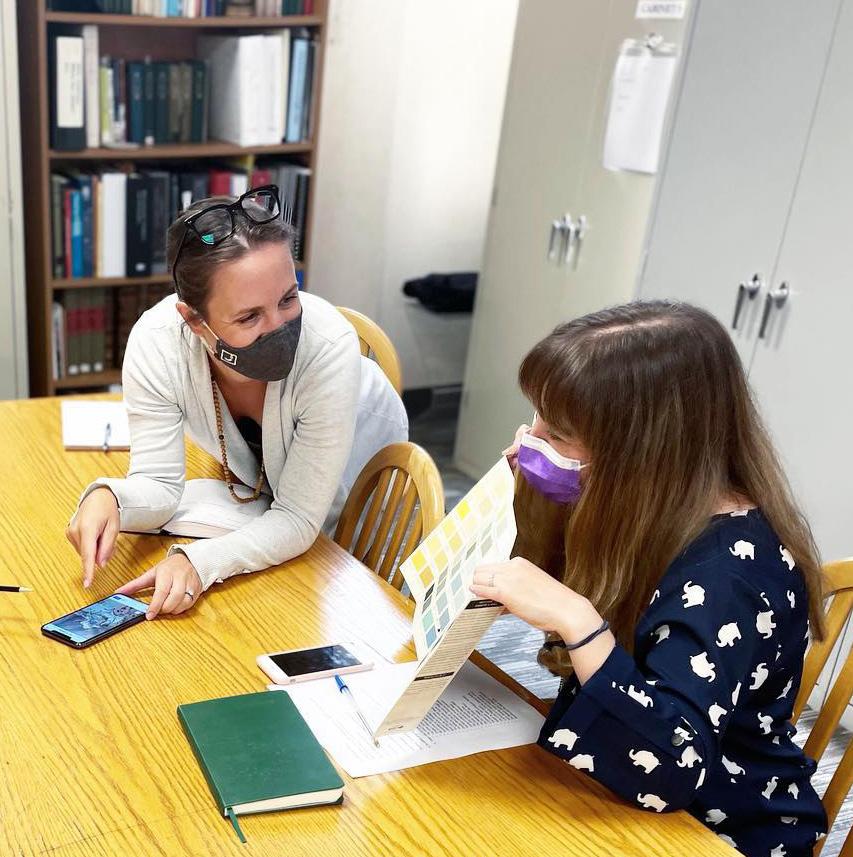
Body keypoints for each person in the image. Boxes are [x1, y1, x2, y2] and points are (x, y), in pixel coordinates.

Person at [471, 301, 828, 857]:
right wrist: (531, 497)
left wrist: (579, 622)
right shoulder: (645, 506)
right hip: (615, 784)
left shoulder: (731, 574)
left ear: (644, 453)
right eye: (536, 417)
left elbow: (672, 771)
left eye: (558, 433)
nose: (532, 437)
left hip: (717, 830)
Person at [66, 186, 407, 619]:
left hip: (355, 503)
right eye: (249, 316)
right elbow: (159, 483)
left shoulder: (327, 347)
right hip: (265, 500)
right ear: (194, 320)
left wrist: (200, 562)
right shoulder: (156, 343)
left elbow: (300, 519)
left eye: (288, 298)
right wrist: (110, 498)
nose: (279, 326)